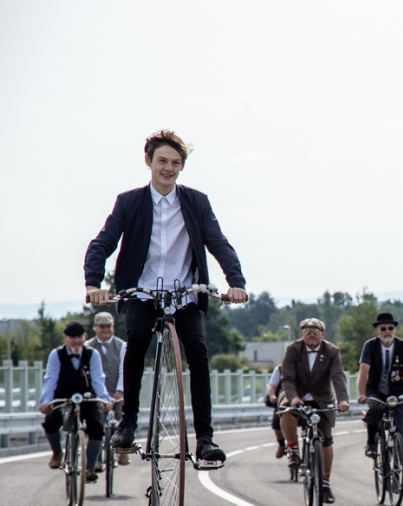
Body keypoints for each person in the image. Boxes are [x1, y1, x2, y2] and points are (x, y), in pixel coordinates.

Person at [83, 130, 248, 469]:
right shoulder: (130, 201)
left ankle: (204, 439)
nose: (168, 168)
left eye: (175, 163)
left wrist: (236, 283)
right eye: (162, 161)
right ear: (149, 161)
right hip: (142, 291)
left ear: (181, 167)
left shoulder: (196, 202)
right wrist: (93, 283)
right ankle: (128, 423)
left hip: (184, 293)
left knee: (199, 352)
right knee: (138, 339)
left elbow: (219, 243)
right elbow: (102, 243)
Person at [279, 318, 351, 504]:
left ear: (323, 334)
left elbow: (338, 376)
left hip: (322, 398)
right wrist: (294, 397)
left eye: (316, 331)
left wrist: (343, 399)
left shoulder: (332, 351)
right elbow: (287, 378)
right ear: (302, 333)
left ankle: (325, 484)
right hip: (297, 395)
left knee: (326, 439)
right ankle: (293, 450)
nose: (312, 335)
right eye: (308, 331)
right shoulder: (293, 349)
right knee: (286, 409)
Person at [38, 321, 113, 481]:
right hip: (62, 397)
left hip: (88, 397)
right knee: (51, 421)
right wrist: (46, 401)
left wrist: (104, 400)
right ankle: (57, 453)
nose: (76, 341)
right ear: (65, 338)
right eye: (72, 337)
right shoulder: (56, 354)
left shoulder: (92, 354)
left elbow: (98, 380)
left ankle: (90, 468)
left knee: (97, 426)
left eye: (79, 337)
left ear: (84, 337)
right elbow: (50, 379)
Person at [356, 312, 403, 458]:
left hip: (397, 391)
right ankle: (371, 442)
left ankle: (400, 440)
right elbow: (363, 371)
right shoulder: (370, 346)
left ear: (394, 330)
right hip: (375, 390)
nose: (387, 332)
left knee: (399, 420)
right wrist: (362, 394)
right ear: (377, 331)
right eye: (383, 328)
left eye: (390, 328)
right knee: (376, 408)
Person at [84, 311, 128, 466]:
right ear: (95, 327)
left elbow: (124, 369)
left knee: (123, 415)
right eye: (102, 327)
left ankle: (123, 449)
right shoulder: (88, 346)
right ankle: (96, 459)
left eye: (108, 326)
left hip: (116, 390)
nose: (105, 330)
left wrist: (120, 390)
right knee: (95, 421)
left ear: (113, 327)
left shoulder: (122, 346)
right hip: (97, 393)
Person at [265, 363, 286, 459]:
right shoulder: (280, 368)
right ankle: (282, 445)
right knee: (276, 422)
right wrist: (273, 395)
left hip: (303, 399)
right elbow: (272, 385)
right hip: (283, 400)